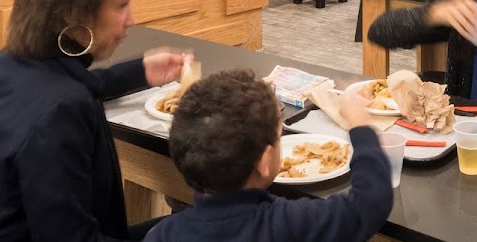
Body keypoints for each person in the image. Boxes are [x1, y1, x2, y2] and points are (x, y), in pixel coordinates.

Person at [0, 0, 186, 242]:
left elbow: (81, 85)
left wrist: (141, 71)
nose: (131, 19)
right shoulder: (62, 111)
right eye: (122, 5)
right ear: (73, 13)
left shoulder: (8, 63)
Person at [144, 70, 392, 242]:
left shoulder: (163, 234)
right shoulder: (289, 224)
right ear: (264, 162)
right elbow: (370, 203)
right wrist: (360, 127)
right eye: (279, 135)